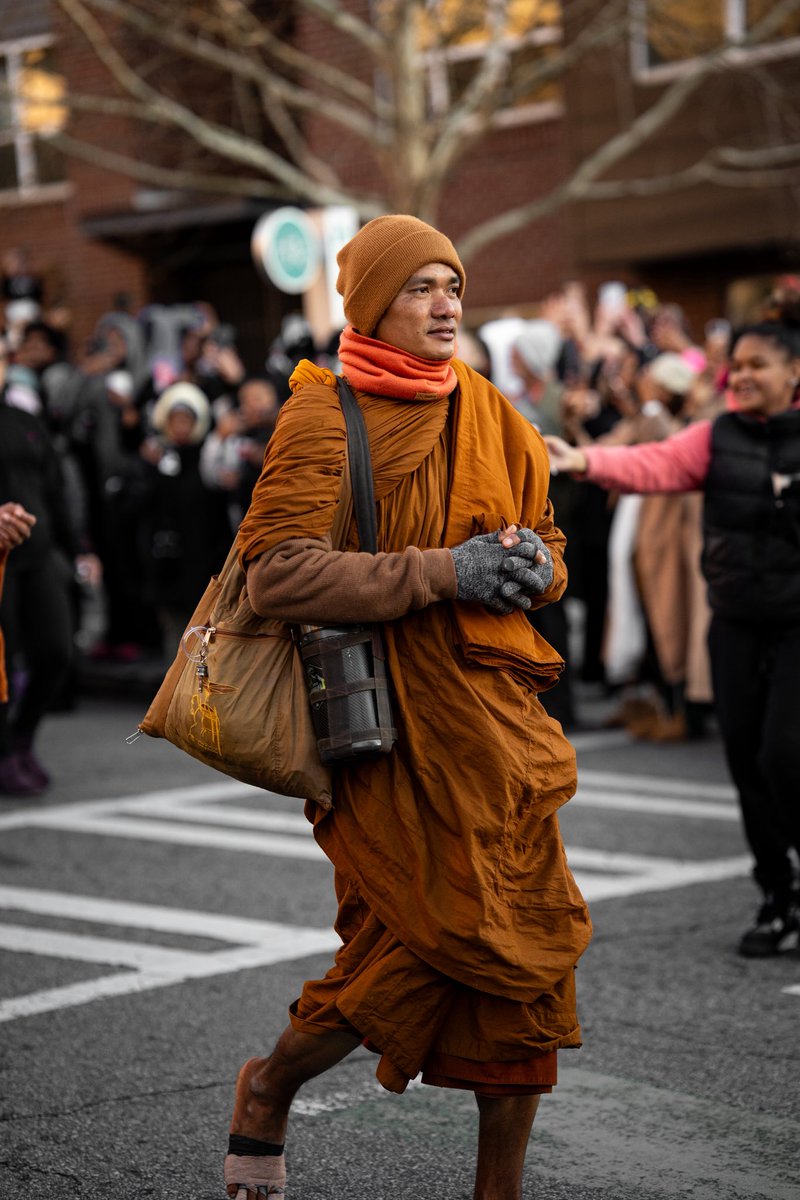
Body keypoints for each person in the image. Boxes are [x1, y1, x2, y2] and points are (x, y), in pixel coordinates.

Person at [224, 215, 591, 1199]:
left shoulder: (491, 409)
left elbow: (545, 535)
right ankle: (266, 1090)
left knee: (527, 949)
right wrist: (444, 571)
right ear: (372, 304)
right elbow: (277, 577)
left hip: (499, 730)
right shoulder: (321, 415)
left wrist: (533, 568)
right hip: (387, 731)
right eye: (422, 287)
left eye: (453, 286)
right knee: (416, 946)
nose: (446, 305)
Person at [546, 302, 800, 958]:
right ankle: (779, 896)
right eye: (735, 367)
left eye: (757, 366)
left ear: (794, 371)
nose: (740, 377)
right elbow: (653, 464)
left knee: (783, 756)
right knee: (745, 763)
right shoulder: (715, 438)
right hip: (736, 624)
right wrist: (583, 461)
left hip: (797, 626)